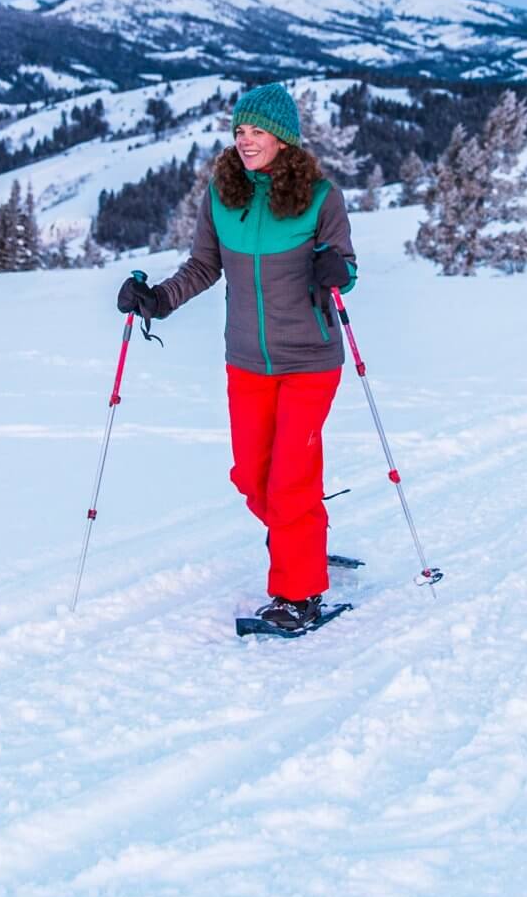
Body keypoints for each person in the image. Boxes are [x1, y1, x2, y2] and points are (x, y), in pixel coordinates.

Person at [115, 83, 357, 635]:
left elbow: (347, 263)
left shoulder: (321, 197)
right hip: (246, 359)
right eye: (240, 131)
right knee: (252, 475)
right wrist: (158, 300)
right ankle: (303, 541)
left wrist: (336, 271)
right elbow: (203, 266)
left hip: (311, 359)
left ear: (284, 138)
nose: (246, 142)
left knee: (291, 477)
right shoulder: (221, 195)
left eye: (258, 132)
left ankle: (299, 594)